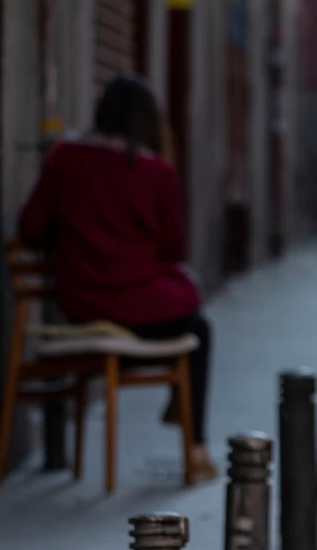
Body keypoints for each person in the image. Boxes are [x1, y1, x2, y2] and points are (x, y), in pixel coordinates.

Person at [18, 74, 217, 484]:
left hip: (81, 302)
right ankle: (195, 448)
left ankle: (182, 406)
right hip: (142, 306)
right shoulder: (156, 172)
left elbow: (31, 226)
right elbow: (173, 249)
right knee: (198, 325)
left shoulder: (65, 158)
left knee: (189, 316)